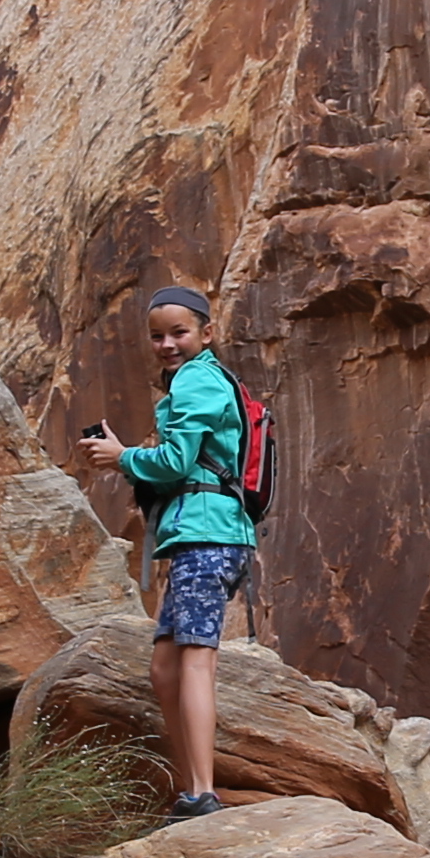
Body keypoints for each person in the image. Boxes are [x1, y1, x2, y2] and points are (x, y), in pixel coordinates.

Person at [78, 283, 253, 817]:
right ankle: (190, 786)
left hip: (211, 536)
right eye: (157, 336)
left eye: (179, 332)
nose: (167, 344)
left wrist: (124, 456)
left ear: (206, 332)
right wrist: (127, 455)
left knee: (196, 660)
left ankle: (202, 792)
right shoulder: (189, 383)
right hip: (194, 539)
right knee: (164, 668)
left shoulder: (200, 381)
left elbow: (177, 462)